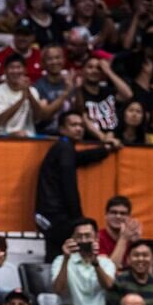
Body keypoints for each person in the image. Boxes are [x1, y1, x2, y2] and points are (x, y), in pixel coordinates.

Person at [35, 110, 116, 260]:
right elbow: (68, 185)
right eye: (73, 125)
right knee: (63, 258)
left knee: (57, 257)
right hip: (58, 215)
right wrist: (79, 219)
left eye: (81, 125)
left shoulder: (63, 147)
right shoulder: (65, 148)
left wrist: (105, 149)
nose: (79, 128)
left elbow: (79, 158)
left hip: (50, 213)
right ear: (62, 129)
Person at [50, 218, 117, 305]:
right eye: (79, 236)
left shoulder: (106, 262)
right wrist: (66, 259)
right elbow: (58, 289)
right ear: (72, 238)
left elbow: (108, 285)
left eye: (88, 236)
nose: (84, 240)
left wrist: (95, 262)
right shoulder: (60, 260)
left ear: (96, 237)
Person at [0, 54, 44, 137]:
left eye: (18, 67)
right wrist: (21, 100)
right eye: (11, 68)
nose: (15, 71)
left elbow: (38, 117)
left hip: (27, 136)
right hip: (1, 136)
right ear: (5, 71)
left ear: (25, 70)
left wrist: (28, 93)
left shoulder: (32, 91)